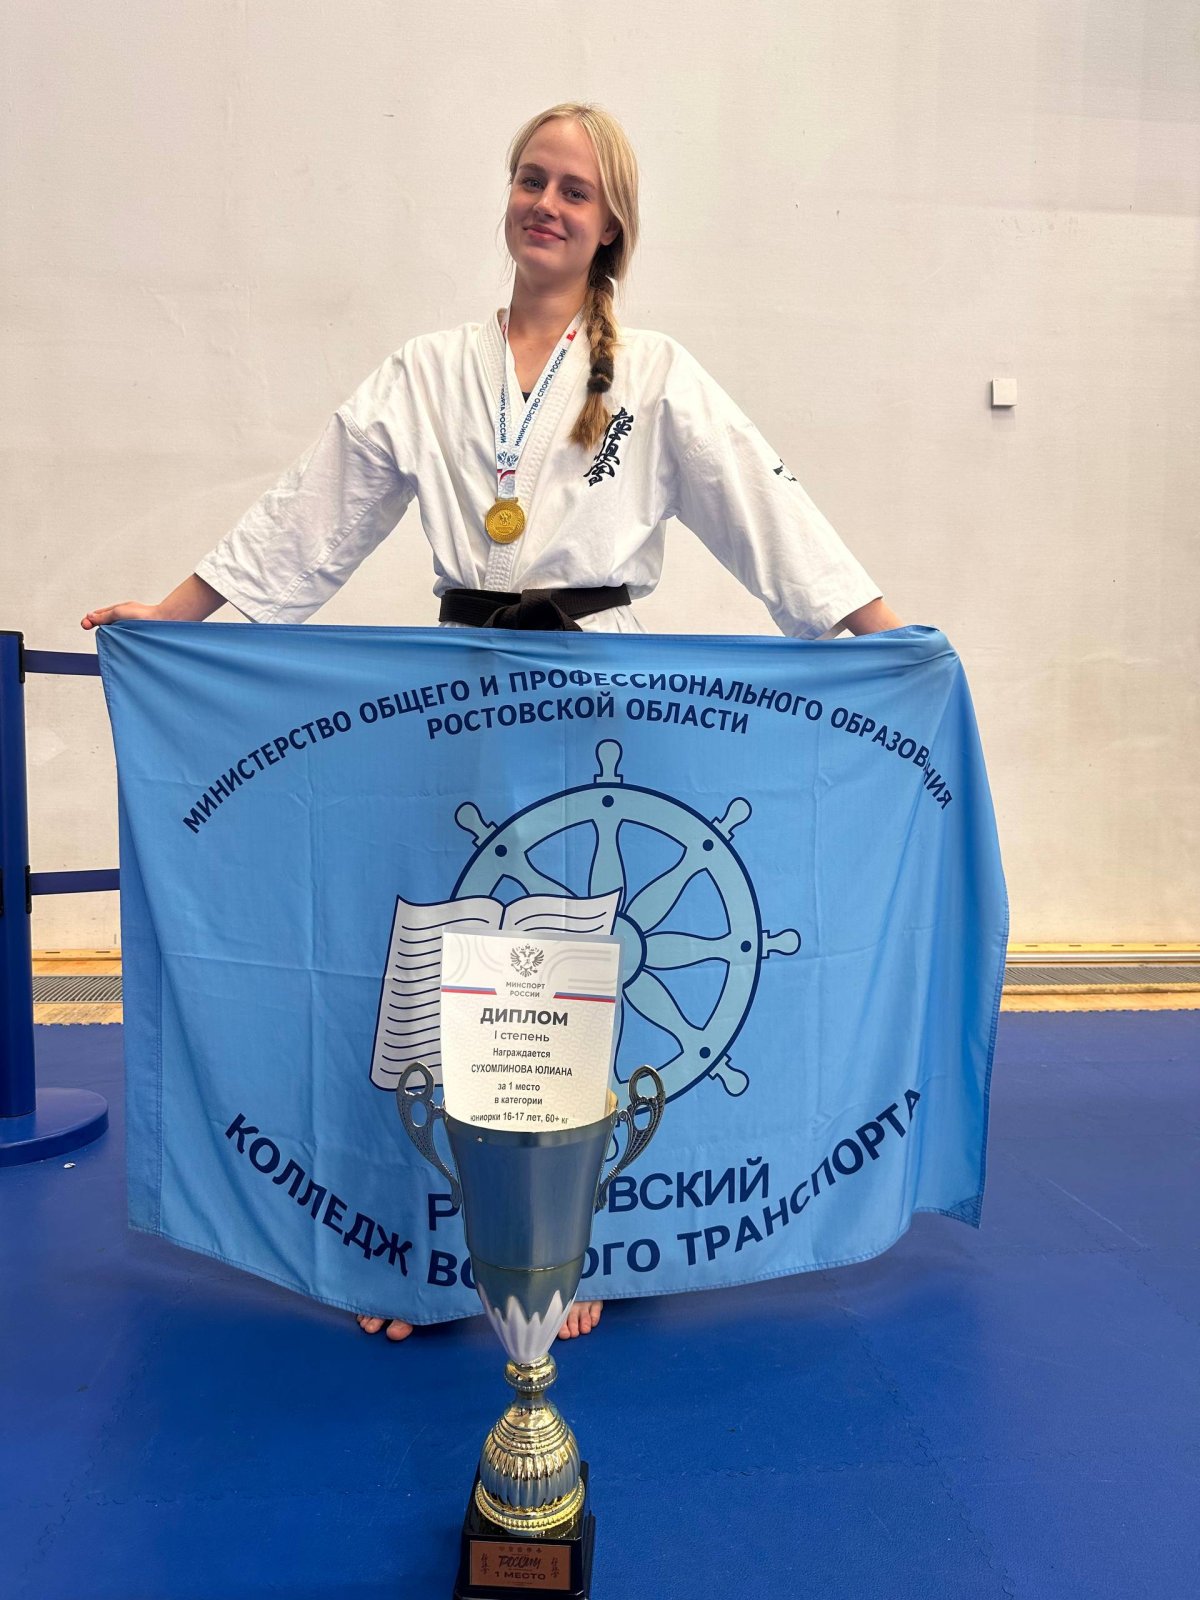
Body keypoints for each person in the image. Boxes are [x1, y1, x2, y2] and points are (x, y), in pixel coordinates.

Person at [83, 101, 902, 1345]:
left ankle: (569, 1243)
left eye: (574, 190)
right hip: (461, 691)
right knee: (460, 953)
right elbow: (309, 516)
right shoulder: (426, 372)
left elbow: (768, 513)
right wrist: (177, 614)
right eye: (532, 179)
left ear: (610, 224)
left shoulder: (656, 376)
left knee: (577, 960)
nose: (546, 205)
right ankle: (429, 1249)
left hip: (597, 688)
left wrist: (882, 637)